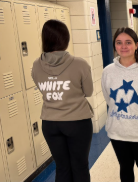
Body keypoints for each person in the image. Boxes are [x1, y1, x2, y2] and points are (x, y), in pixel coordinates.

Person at [31, 19, 94, 182]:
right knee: (79, 166)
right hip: (77, 122)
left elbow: (43, 89)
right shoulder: (79, 64)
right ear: (66, 39)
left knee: (62, 167)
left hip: (50, 123)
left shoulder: (36, 66)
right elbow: (88, 92)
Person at [101, 27, 138, 182]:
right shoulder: (107, 72)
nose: (123, 46)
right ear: (115, 46)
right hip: (118, 131)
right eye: (119, 43)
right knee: (125, 168)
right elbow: (109, 99)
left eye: (128, 42)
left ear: (136, 45)